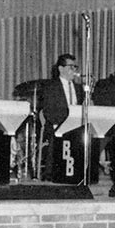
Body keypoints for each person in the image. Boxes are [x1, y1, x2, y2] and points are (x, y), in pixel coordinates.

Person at [40, 53, 84, 181]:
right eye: (71, 67)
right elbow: (48, 110)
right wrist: (63, 123)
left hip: (76, 126)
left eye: (75, 67)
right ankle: (52, 174)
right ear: (61, 68)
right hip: (57, 124)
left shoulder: (79, 88)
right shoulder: (51, 87)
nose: (74, 70)